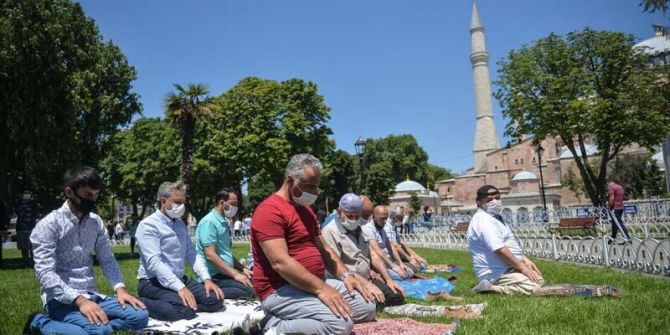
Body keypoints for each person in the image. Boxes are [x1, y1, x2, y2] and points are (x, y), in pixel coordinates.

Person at [251, 154, 378, 335]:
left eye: (316, 186)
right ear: (290, 180)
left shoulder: (306, 211)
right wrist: (322, 289)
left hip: (313, 283)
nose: (314, 192)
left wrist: (346, 275)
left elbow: (325, 250)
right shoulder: (269, 210)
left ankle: (299, 317)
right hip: (281, 289)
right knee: (341, 325)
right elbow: (280, 263)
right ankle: (271, 325)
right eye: (309, 186)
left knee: (366, 307)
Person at [26, 166, 148, 335]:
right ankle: (39, 322)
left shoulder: (95, 223)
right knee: (100, 331)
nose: (93, 200)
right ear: (69, 192)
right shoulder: (49, 225)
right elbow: (45, 274)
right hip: (60, 300)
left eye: (96, 195)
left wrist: (120, 289)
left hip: (92, 295)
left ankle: (89, 325)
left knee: (140, 316)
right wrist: (80, 301)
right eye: (88, 195)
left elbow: (107, 259)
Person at [468, 185, 621, 297]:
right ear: (479, 202)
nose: (495, 201)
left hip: (506, 267)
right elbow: (499, 249)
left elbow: (508, 244)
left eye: (497, 198)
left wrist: (524, 260)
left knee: (539, 280)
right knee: (534, 289)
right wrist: (521, 267)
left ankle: (499, 287)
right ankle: (490, 287)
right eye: (490, 199)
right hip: (496, 272)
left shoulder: (493, 217)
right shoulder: (484, 220)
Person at [136, 181, 224, 321]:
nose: (181, 207)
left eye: (183, 202)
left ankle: (185, 305)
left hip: (179, 279)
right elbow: (154, 263)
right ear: (163, 201)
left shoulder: (180, 224)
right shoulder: (148, 225)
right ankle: (139, 301)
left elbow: (191, 253)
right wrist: (180, 288)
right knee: (181, 309)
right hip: (152, 282)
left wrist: (207, 279)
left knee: (215, 299)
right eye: (177, 202)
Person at [321, 194, 405, 307]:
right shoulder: (330, 231)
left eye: (357, 216)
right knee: (373, 303)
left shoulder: (359, 228)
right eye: (350, 216)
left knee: (396, 296)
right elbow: (337, 266)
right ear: (339, 211)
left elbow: (372, 255)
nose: (354, 220)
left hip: (367, 277)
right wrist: (365, 284)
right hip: (347, 280)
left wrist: (388, 279)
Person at [195, 189, 255, 300]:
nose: (236, 207)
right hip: (214, 276)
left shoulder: (222, 221)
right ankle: (205, 290)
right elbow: (210, 255)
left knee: (255, 283)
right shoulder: (209, 222)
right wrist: (235, 274)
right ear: (222, 203)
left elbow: (225, 252)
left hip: (224, 274)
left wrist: (242, 269)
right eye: (233, 204)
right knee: (249, 291)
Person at [363, 206, 413, 281]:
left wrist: (400, 263)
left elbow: (390, 246)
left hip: (388, 262)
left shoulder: (381, 228)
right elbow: (377, 250)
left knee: (410, 271)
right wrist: (394, 267)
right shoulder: (368, 229)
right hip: (380, 264)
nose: (384, 221)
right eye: (382, 218)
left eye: (386, 218)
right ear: (374, 217)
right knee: (403, 276)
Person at [385, 207, 427, 272]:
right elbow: (395, 246)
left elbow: (401, 243)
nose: (402, 220)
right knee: (416, 267)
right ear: (395, 217)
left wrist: (416, 256)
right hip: (389, 258)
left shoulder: (393, 224)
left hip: (395, 256)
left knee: (419, 263)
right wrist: (410, 259)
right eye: (401, 218)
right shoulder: (388, 227)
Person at [15, 190, 37, 267]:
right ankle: (25, 261)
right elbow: (17, 213)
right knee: (23, 247)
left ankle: (34, 261)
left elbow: (35, 214)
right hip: (21, 228)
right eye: (24, 194)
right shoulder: (18, 204)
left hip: (31, 228)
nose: (26, 195)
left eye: (28, 194)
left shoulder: (33, 204)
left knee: (32, 246)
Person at [607, 178, 631, 244]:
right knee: (615, 224)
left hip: (615, 208)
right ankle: (612, 239)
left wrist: (609, 207)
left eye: (607, 184)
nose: (607, 185)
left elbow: (611, 198)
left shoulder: (612, 188)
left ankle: (627, 238)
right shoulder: (620, 187)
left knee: (619, 224)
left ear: (610, 182)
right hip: (620, 207)